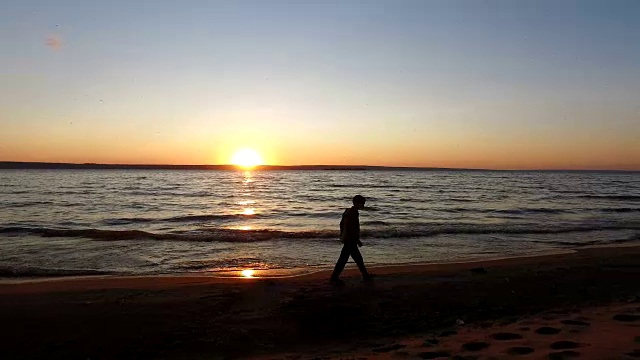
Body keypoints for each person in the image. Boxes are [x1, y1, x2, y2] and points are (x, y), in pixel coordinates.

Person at [330, 195, 373, 284]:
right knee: (344, 259)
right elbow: (353, 228)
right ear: (357, 203)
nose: (363, 206)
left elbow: (342, 224)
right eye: (362, 203)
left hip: (347, 238)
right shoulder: (354, 213)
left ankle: (365, 276)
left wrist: (342, 235)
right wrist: (357, 240)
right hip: (350, 239)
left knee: (357, 259)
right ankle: (334, 278)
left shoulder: (347, 211)